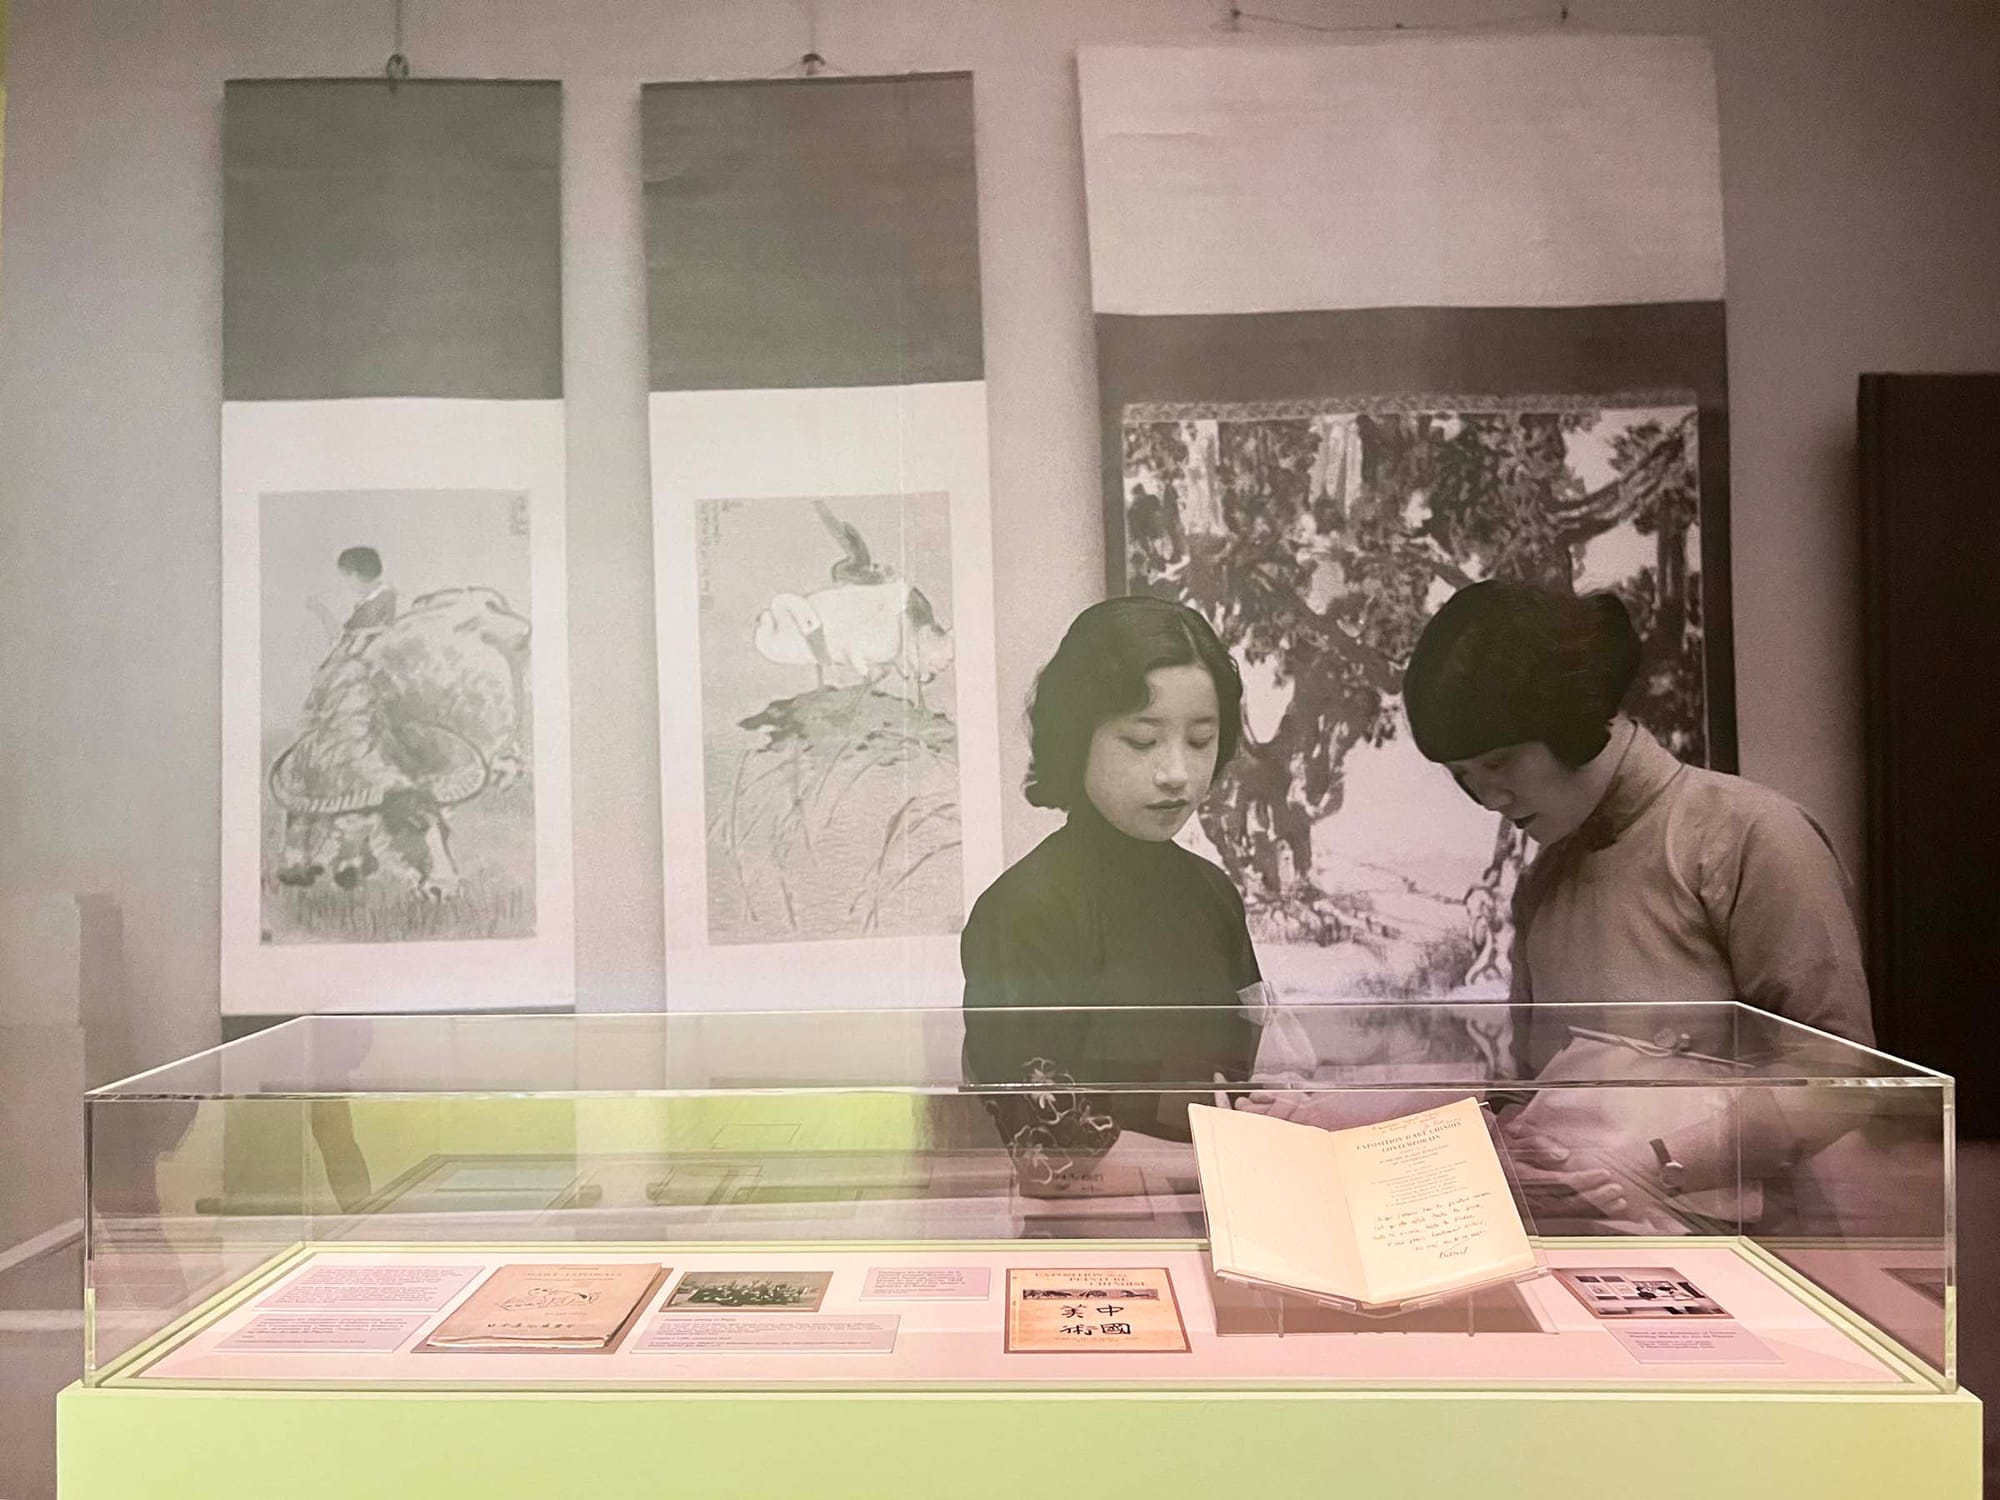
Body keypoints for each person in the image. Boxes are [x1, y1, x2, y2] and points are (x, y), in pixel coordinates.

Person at [1400, 578, 1878, 1228]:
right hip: (1588, 1238)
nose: (1489, 799)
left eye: (1500, 762)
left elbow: (1839, 1076)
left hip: (1743, 1244)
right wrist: (1510, 1154)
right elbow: (1532, 1084)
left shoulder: (1750, 835)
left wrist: (1651, 1165)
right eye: (1465, 777)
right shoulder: (1543, 881)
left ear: (1566, 723)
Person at [960, 596, 1262, 1183]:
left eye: (1200, 740)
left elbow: (1236, 1086)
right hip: (1089, 1226)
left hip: (1214, 1207)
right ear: (1077, 739)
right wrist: (1233, 1168)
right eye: (1143, 742)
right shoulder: (1024, 909)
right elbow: (1051, 1151)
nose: (1176, 772)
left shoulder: (1214, 894)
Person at [309, 546, 397, 642]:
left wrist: (321, 610)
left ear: (354, 575)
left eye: (345, 577)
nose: (345, 583)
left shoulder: (378, 602)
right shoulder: (381, 596)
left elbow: (342, 638)